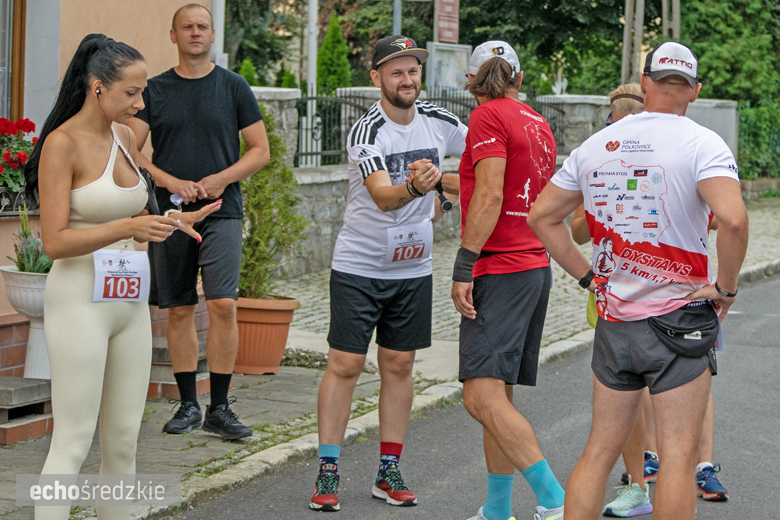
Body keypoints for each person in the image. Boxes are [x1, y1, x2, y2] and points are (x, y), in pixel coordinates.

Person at [527, 42, 748, 520]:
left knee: (599, 452)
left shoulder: (596, 145)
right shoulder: (702, 143)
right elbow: (732, 220)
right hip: (679, 321)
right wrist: (726, 290)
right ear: (694, 90)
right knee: (676, 456)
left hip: (614, 320)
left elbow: (542, 217)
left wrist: (589, 277)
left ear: (645, 83)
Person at [24, 33, 219, 520]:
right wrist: (128, 227)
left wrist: (175, 222)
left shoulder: (128, 138)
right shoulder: (61, 144)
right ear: (96, 87)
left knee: (123, 442)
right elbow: (54, 242)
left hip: (128, 302)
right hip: (77, 302)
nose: (140, 102)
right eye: (131, 93)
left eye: (142, 91)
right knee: (71, 441)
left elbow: (137, 216)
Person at [309, 35, 467, 512]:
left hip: (414, 269)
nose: (407, 79)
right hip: (359, 266)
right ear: (376, 78)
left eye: (413, 70)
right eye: (395, 71)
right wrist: (418, 186)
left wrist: (442, 189)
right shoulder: (367, 130)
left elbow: (489, 162)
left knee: (399, 366)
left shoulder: (442, 121)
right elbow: (382, 195)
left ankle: (388, 471)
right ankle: (327, 470)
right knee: (346, 365)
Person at [129, 3, 270, 440]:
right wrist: (171, 180)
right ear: (173, 36)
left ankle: (220, 407)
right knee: (178, 308)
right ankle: (189, 404)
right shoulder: (152, 90)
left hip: (221, 211)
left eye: (202, 27)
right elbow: (131, 151)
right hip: (169, 215)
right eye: (186, 27)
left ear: (213, 36)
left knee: (224, 303)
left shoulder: (233, 87)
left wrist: (220, 180)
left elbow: (259, 150)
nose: (195, 32)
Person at [451, 41, 564, 520]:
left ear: (472, 81)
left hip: (501, 266)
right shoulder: (538, 122)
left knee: (479, 396)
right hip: (534, 266)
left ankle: (558, 501)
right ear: (518, 77)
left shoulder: (485, 117)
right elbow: (513, 187)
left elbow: (493, 192)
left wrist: (463, 263)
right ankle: (497, 510)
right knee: (499, 395)